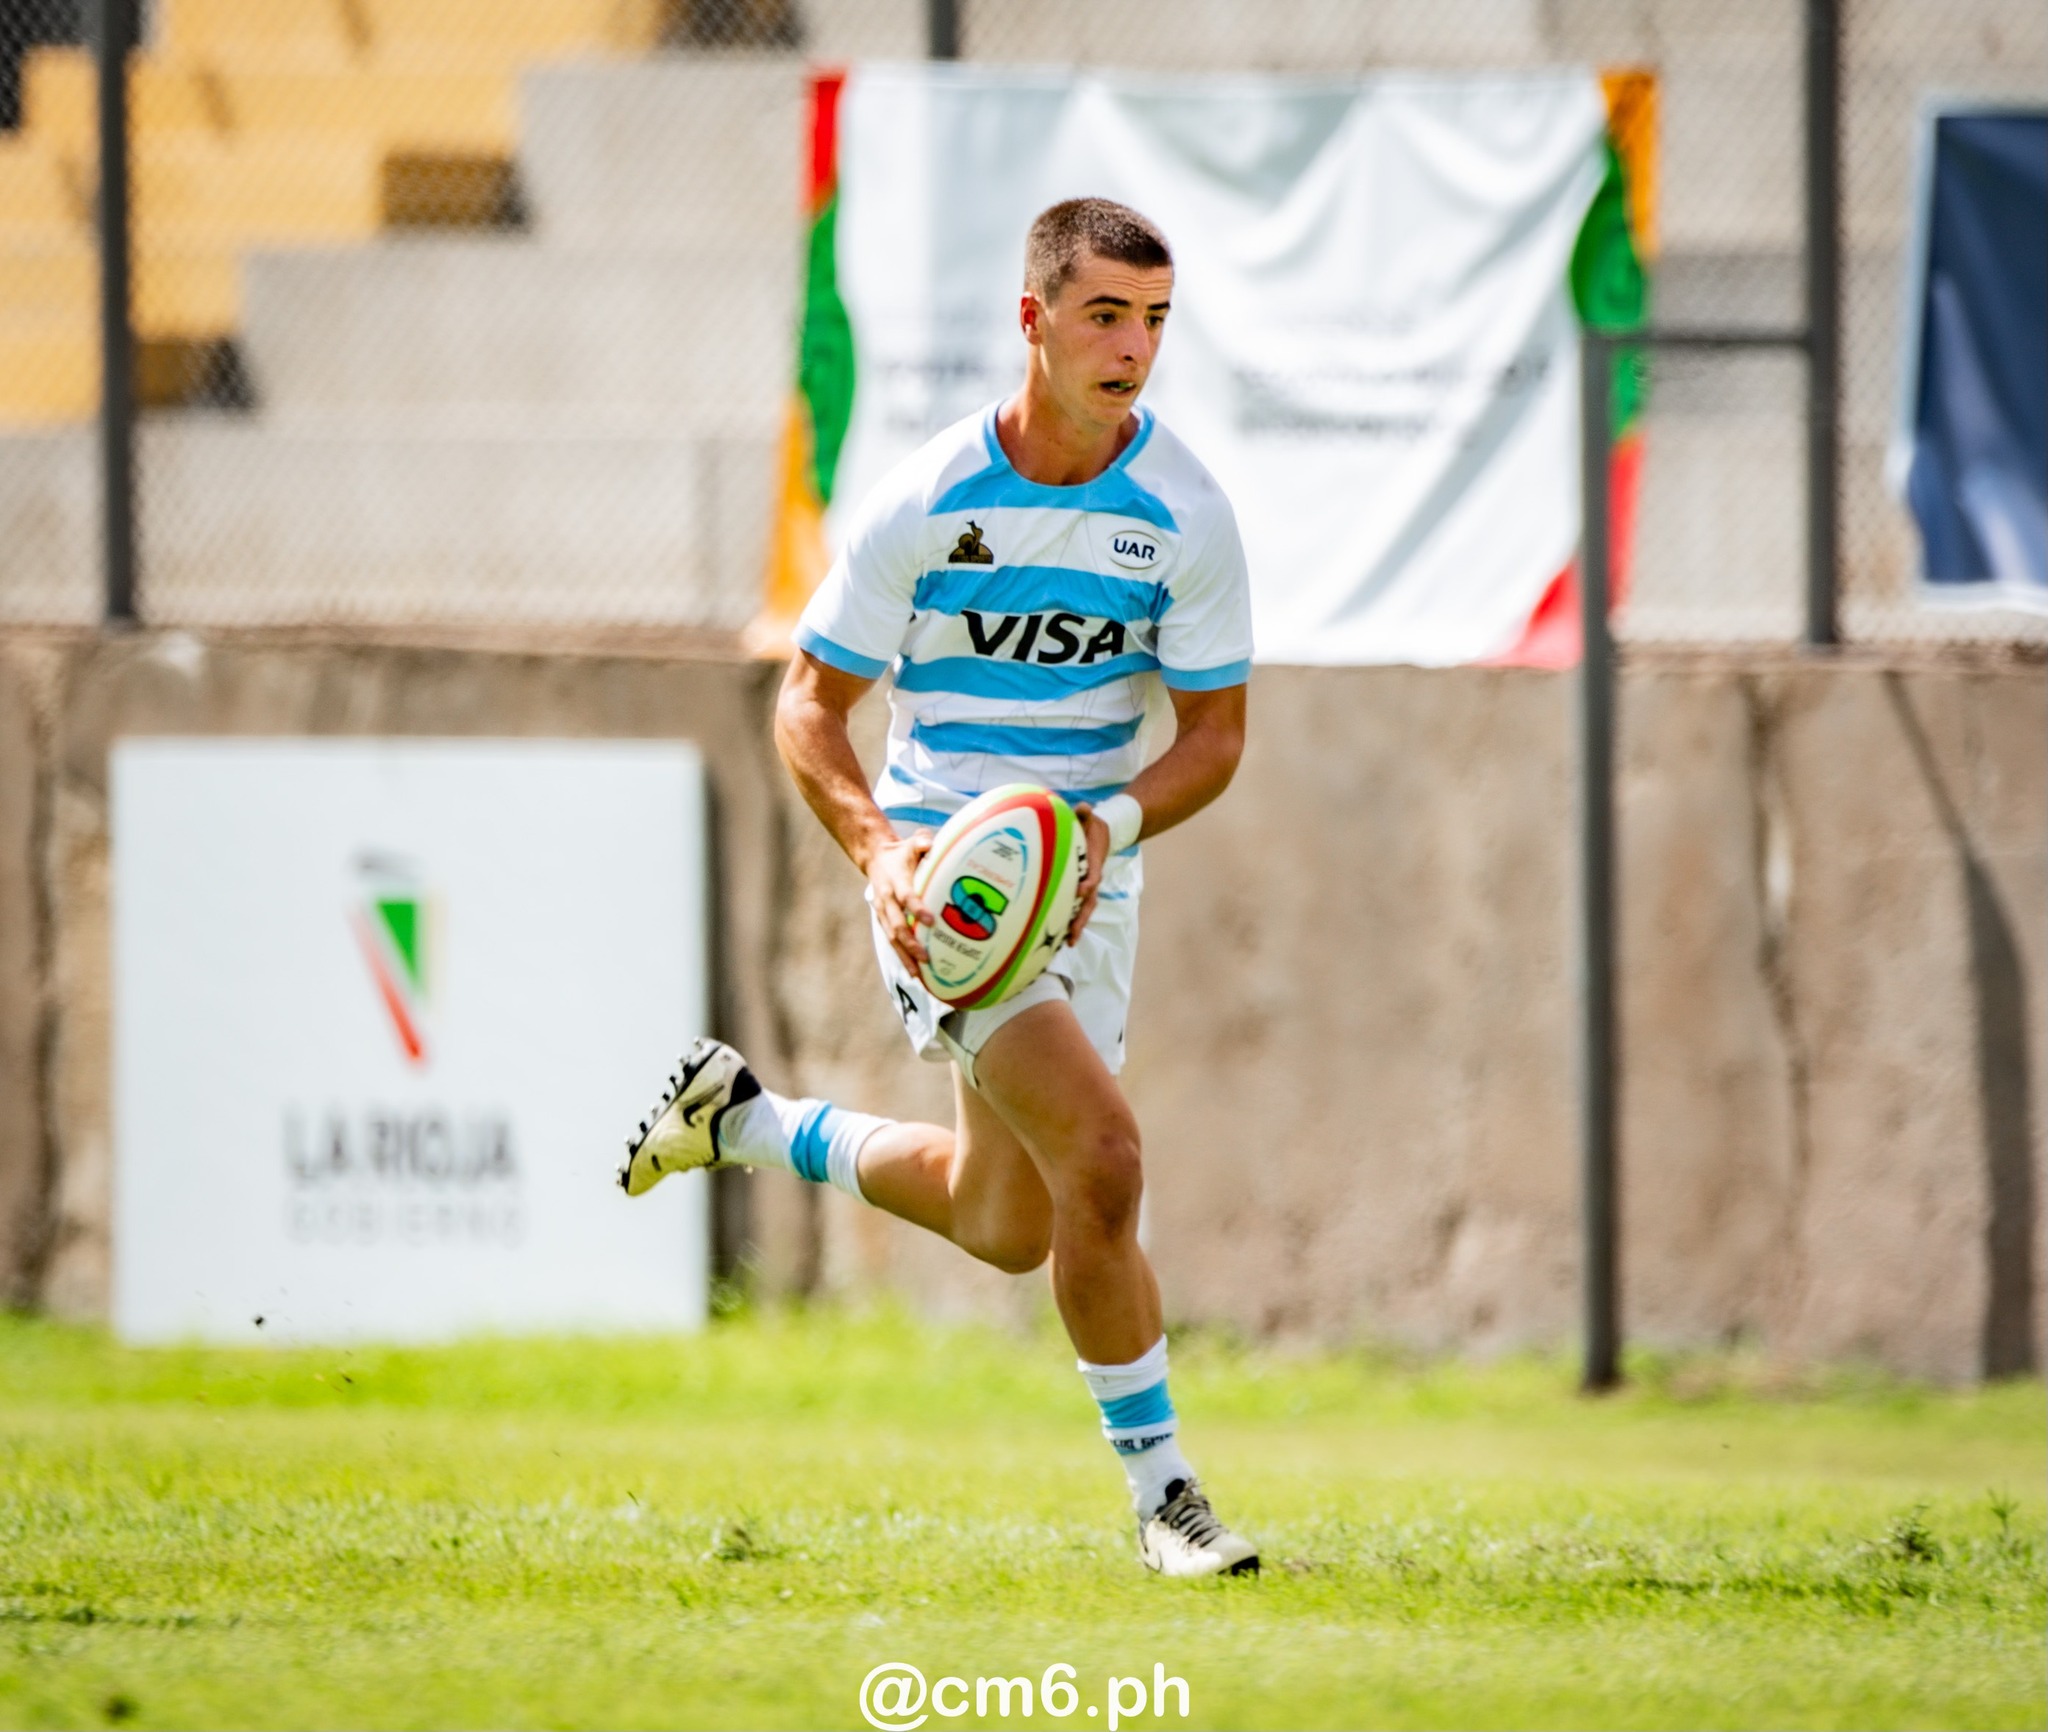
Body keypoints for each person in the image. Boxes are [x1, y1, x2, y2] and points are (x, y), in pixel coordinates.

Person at [619, 197, 1257, 1578]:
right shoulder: (928, 499)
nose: (1132, 347)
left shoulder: (1185, 514)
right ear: (1032, 321)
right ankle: (1168, 1502)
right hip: (948, 882)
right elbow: (806, 704)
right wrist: (885, 853)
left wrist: (1106, 833)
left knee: (1008, 1221)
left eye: (1153, 321)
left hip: (1083, 880)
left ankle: (743, 1120)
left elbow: (1213, 742)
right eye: (1104, 315)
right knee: (1107, 1157)